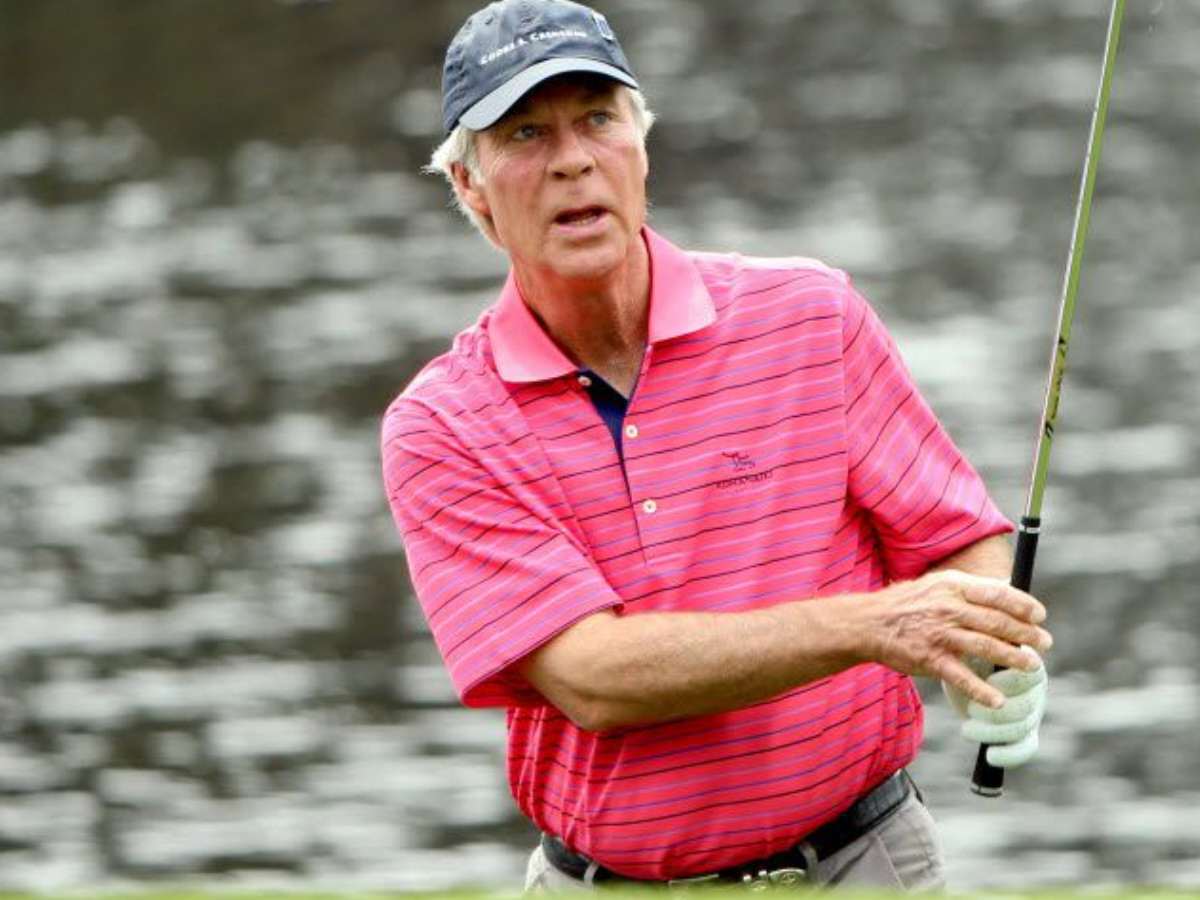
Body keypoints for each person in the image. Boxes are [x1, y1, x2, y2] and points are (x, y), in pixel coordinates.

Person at [382, 0, 1051, 891]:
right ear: (470, 186)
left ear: (640, 144)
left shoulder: (812, 316)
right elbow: (593, 677)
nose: (573, 158)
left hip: (862, 863)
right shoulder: (443, 426)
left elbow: (954, 541)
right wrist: (878, 626)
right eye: (525, 134)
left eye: (597, 119)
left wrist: (984, 646)